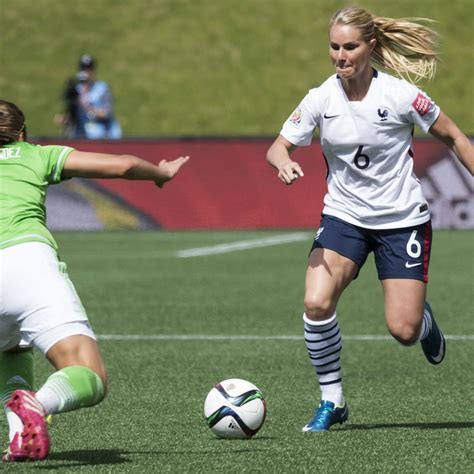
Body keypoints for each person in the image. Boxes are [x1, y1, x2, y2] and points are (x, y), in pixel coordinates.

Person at [266, 6, 473, 432]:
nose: (340, 56)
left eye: (350, 47)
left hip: (401, 220)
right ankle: (332, 399)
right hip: (344, 217)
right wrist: (283, 161)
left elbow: (453, 135)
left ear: (370, 47)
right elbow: (277, 147)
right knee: (316, 301)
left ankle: (424, 320)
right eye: (334, 47)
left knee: (403, 329)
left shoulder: (400, 96)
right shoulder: (321, 98)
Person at [0, 99, 189, 462]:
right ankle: (38, 404)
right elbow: (123, 165)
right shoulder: (37, 155)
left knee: (10, 349)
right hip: (30, 267)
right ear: (22, 134)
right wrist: (161, 174)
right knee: (89, 374)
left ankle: (18, 436)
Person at [70, 54, 122, 139]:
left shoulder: (102, 89)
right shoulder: (76, 90)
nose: (86, 73)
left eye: (88, 69)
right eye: (83, 69)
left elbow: (106, 113)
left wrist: (87, 107)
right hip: (81, 135)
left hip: (100, 135)